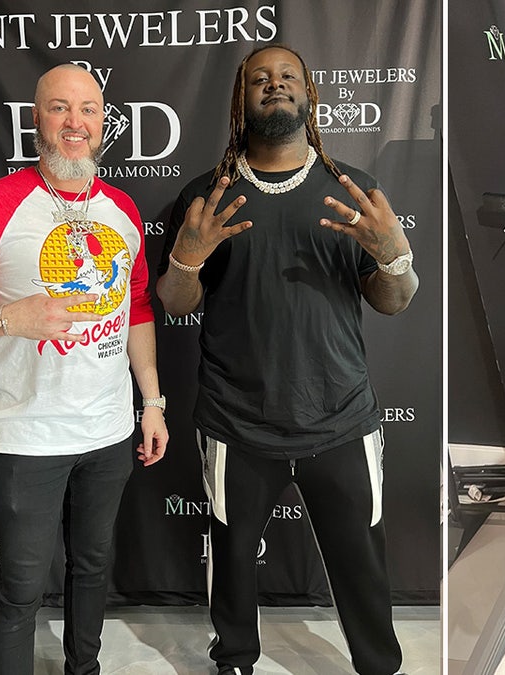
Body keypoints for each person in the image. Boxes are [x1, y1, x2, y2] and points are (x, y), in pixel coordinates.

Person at [156, 44, 417, 675]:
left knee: (361, 557)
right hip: (236, 422)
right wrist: (186, 257)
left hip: (341, 419)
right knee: (232, 556)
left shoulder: (355, 191)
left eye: (288, 77)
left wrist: (393, 256)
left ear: (310, 96)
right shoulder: (206, 196)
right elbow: (172, 301)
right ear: (241, 99)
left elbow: (394, 301)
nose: (275, 85)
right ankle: (236, 662)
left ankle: (378, 666)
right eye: (260, 79)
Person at [0, 63, 168, 675]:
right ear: (37, 120)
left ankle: (85, 669)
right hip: (28, 436)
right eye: (59, 108)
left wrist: (153, 402)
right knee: (21, 590)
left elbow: (136, 309)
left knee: (93, 569)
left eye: (87, 109)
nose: (75, 123)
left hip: (109, 434)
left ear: (104, 123)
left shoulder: (123, 211)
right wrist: (7, 320)